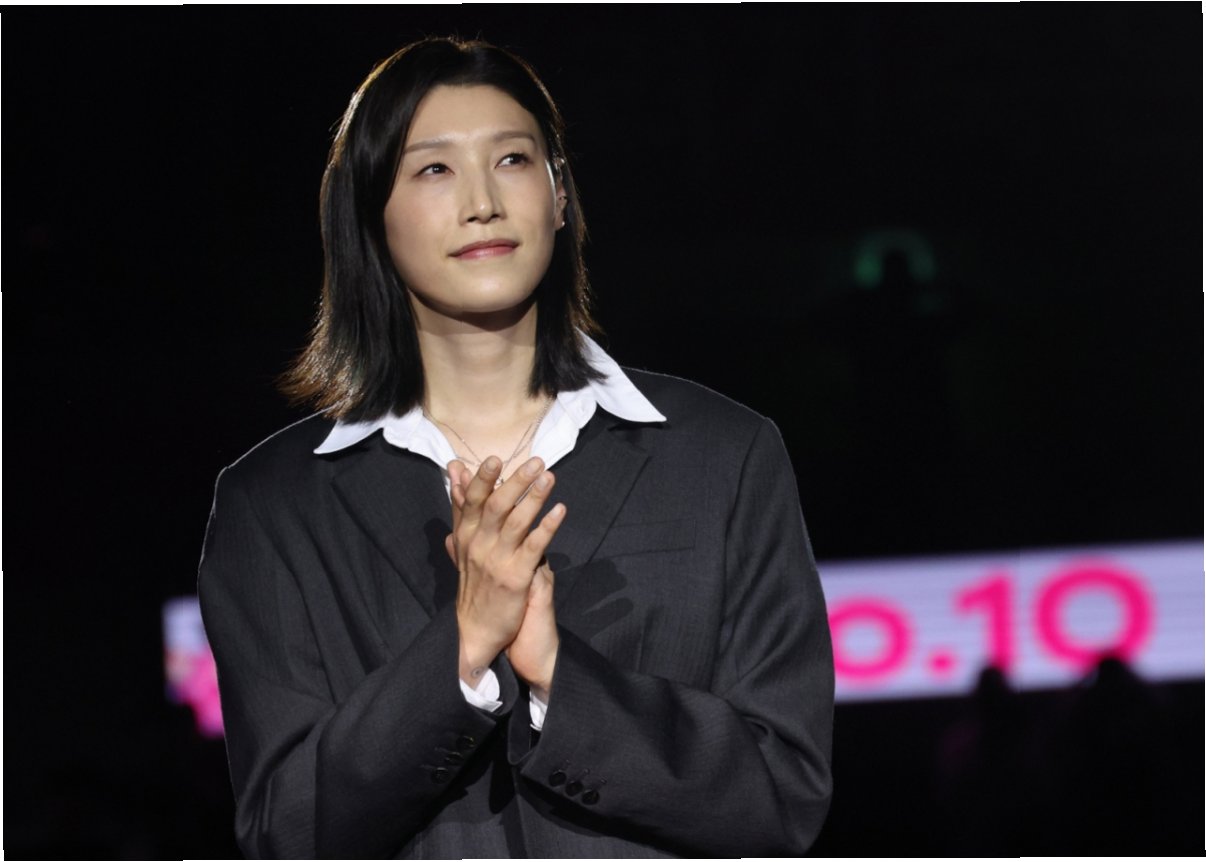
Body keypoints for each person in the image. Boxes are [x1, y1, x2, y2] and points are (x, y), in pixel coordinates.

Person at [198, 36, 833, 859]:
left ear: (559, 194)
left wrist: (561, 675)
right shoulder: (273, 507)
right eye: (434, 169)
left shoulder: (724, 456)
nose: (483, 203)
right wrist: (461, 651)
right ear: (368, 215)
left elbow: (782, 799)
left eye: (512, 160)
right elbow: (285, 833)